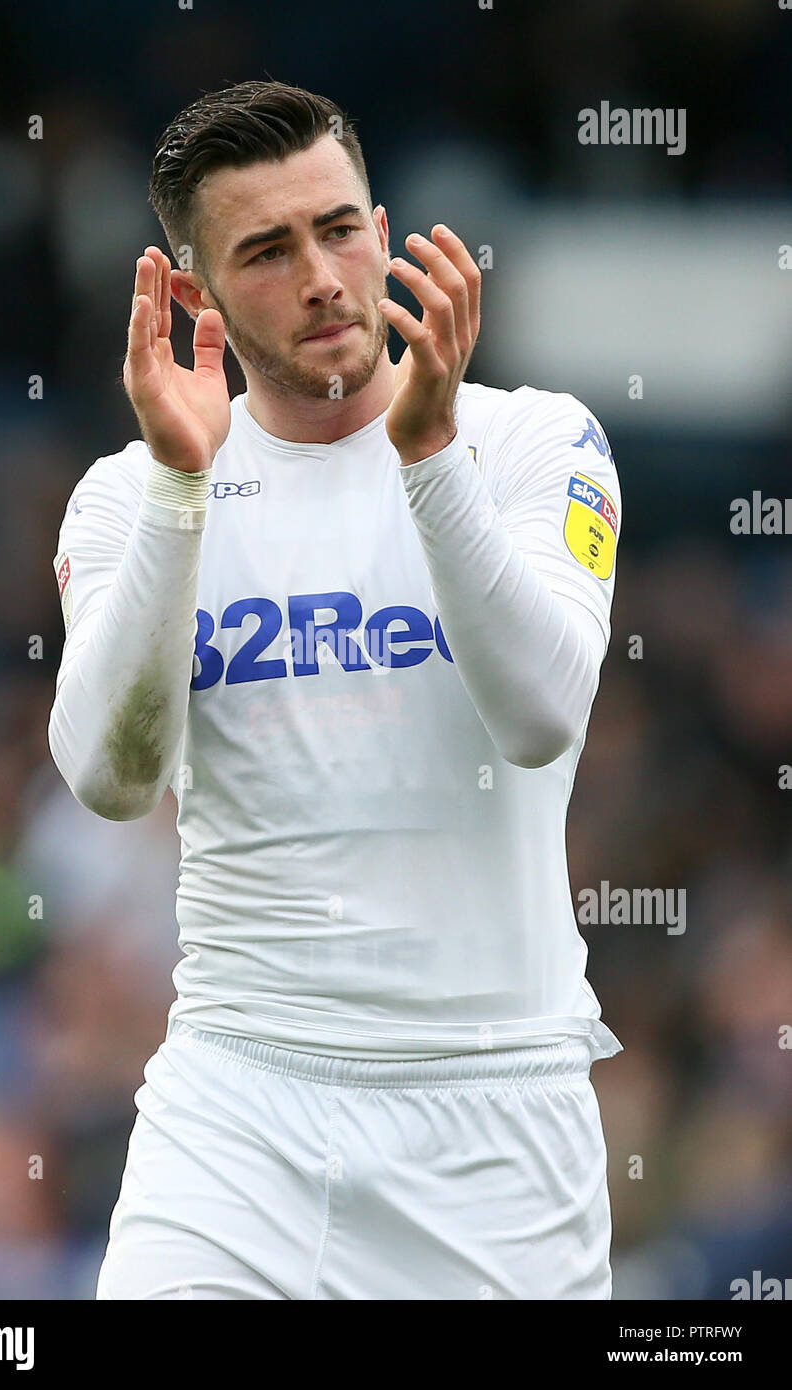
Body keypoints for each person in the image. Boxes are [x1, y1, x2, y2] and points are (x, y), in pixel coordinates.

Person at [48, 79, 623, 1300]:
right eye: (266, 249)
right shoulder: (130, 492)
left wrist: (429, 464)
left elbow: (540, 716)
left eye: (341, 228)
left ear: (383, 226)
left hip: (495, 1114)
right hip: (237, 1096)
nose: (320, 276)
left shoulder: (535, 442)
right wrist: (181, 493)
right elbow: (110, 776)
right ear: (194, 292)